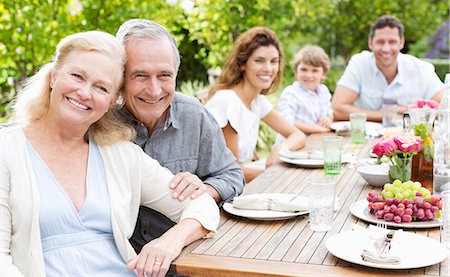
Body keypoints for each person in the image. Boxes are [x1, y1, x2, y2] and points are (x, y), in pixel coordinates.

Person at [0, 31, 219, 277]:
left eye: (101, 87)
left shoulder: (121, 156)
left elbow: (201, 205)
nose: (84, 92)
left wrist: (170, 241)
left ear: (112, 101)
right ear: (53, 77)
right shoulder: (6, 150)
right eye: (77, 76)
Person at [115, 19, 244, 252]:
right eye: (140, 76)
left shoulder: (195, 116)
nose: (154, 90)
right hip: (120, 259)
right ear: (120, 77)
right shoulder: (99, 122)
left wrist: (203, 190)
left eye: (164, 75)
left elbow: (232, 175)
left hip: (186, 254)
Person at [205, 26, 306, 182]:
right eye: (259, 61)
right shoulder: (227, 101)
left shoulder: (257, 102)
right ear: (242, 64)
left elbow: (297, 135)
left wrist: (280, 149)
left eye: (274, 61)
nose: (268, 69)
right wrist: (277, 175)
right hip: (214, 192)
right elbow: (230, 171)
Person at [332, 14, 444, 121]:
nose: (386, 48)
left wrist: (415, 112)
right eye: (380, 42)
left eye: (392, 42)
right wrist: (388, 114)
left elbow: (445, 107)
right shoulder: (359, 63)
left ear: (401, 42)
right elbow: (337, 108)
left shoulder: (421, 69)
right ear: (370, 43)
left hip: (411, 137)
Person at [276, 45, 333, 137]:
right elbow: (286, 122)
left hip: (316, 142)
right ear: (296, 71)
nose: (309, 75)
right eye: (304, 69)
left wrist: (328, 119)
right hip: (292, 145)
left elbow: (330, 114)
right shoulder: (291, 93)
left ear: (324, 74)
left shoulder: (323, 91)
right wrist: (318, 129)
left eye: (315, 71)